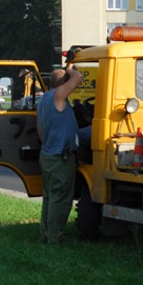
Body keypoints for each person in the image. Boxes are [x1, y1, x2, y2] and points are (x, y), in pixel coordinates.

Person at [36, 64, 84, 243]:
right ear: (63, 83)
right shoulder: (58, 97)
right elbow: (78, 77)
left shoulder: (43, 101)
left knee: (49, 197)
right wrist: (70, 68)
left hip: (47, 155)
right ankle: (55, 236)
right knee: (61, 198)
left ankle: (46, 233)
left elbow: (40, 131)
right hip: (60, 158)